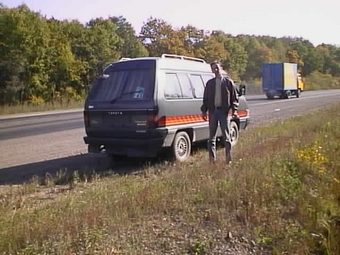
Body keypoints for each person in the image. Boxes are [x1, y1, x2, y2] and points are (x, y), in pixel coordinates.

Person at [200, 61, 239, 164]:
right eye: (213, 68)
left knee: (226, 138)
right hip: (213, 112)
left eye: (217, 68)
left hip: (224, 112)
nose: (215, 70)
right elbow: (206, 98)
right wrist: (204, 111)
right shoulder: (210, 84)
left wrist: (234, 110)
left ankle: (228, 160)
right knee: (211, 138)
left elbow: (234, 98)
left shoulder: (228, 82)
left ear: (221, 68)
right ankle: (212, 161)